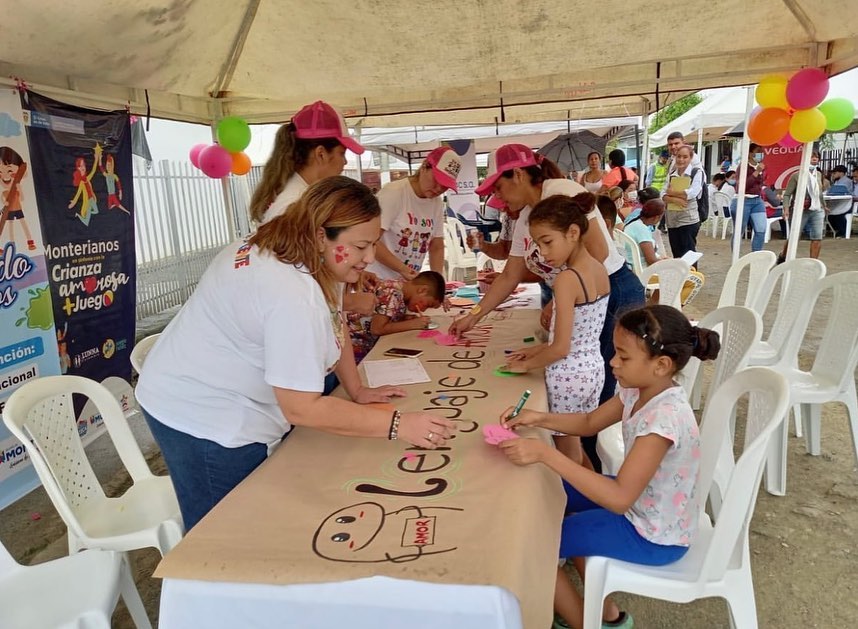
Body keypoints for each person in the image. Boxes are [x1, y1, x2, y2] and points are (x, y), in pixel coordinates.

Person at [136, 177, 455, 530]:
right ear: (321, 235)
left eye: (373, 244)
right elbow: (301, 407)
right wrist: (399, 425)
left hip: (210, 386)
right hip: (200, 412)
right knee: (224, 531)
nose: (369, 258)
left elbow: (336, 318)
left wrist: (357, 389)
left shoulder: (308, 253)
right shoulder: (291, 293)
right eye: (361, 246)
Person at [497, 305, 721, 629]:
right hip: (642, 505)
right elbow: (589, 422)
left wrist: (546, 454)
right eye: (615, 352)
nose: (613, 362)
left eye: (623, 357)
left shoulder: (664, 418)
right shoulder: (638, 390)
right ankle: (607, 614)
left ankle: (584, 622)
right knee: (553, 491)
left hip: (654, 534)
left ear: (661, 365)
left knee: (536, 543)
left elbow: (618, 498)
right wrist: (538, 417)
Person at [450, 143, 644, 471]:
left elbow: (597, 252)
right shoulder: (530, 216)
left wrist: (559, 299)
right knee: (578, 429)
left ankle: (587, 484)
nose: (499, 198)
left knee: (585, 429)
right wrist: (474, 315)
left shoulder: (561, 193)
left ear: (518, 175)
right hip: (582, 307)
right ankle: (587, 479)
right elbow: (510, 274)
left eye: (499, 187)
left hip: (609, 294)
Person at [501, 194, 610, 465]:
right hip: (592, 371)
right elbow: (580, 335)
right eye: (538, 244)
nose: (543, 253)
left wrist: (526, 366)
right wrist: (537, 350)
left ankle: (577, 493)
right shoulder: (599, 269)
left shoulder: (566, 280)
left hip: (568, 378)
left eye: (547, 242)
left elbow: (561, 349)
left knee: (566, 455)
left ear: (573, 232)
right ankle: (590, 486)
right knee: (576, 446)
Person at [249, 100, 365, 224]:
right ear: (321, 154)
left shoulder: (302, 198)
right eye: (342, 153)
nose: (345, 162)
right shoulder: (293, 206)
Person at [366, 146, 462, 280]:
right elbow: (370, 240)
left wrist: (436, 281)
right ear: (424, 167)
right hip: (376, 278)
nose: (439, 188)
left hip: (406, 280)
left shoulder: (436, 202)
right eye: (437, 180)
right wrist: (402, 269)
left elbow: (437, 246)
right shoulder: (394, 192)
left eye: (445, 185)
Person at [347, 270, 445, 363]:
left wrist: (403, 318)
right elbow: (377, 329)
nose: (423, 310)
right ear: (422, 290)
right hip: (356, 347)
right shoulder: (393, 293)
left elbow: (384, 314)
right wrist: (412, 324)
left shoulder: (400, 288)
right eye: (427, 304)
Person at [624, 199, 705, 304]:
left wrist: (666, 260)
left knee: (690, 269)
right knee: (697, 279)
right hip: (645, 273)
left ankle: (655, 305)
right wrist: (673, 263)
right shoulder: (641, 230)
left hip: (636, 268)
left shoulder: (634, 224)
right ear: (657, 217)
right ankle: (672, 307)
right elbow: (651, 261)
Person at [777, 150, 827, 263]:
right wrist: (786, 209)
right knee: (794, 236)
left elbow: (818, 192)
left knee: (817, 237)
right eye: (812, 157)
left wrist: (824, 205)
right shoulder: (797, 175)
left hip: (816, 208)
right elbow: (787, 194)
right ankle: (784, 256)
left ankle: (813, 263)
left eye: (816, 157)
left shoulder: (818, 174)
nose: (814, 159)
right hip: (800, 209)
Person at [661, 144, 703, 261]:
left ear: (691, 158)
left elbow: (693, 192)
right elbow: (662, 193)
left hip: (688, 219)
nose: (681, 160)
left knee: (688, 254)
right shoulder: (671, 174)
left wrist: (672, 193)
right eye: (679, 156)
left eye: (685, 157)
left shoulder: (696, 172)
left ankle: (691, 273)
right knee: (677, 253)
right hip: (672, 219)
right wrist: (674, 199)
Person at [729, 143, 767, 251]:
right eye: (757, 152)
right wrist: (756, 172)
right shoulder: (743, 167)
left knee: (761, 229)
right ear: (750, 154)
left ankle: (756, 255)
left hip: (757, 200)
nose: (760, 154)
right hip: (743, 199)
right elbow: (743, 185)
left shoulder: (761, 167)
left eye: (761, 152)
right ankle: (735, 256)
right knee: (739, 230)